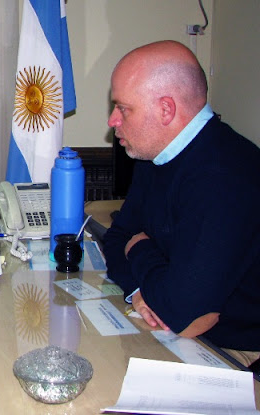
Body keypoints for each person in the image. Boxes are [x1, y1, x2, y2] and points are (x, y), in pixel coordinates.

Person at [103, 41, 260, 357]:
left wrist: (139, 248)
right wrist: (139, 291)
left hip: (233, 353)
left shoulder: (225, 176)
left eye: (123, 108)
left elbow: (184, 316)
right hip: (174, 326)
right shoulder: (155, 155)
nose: (112, 120)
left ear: (166, 109)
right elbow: (117, 237)